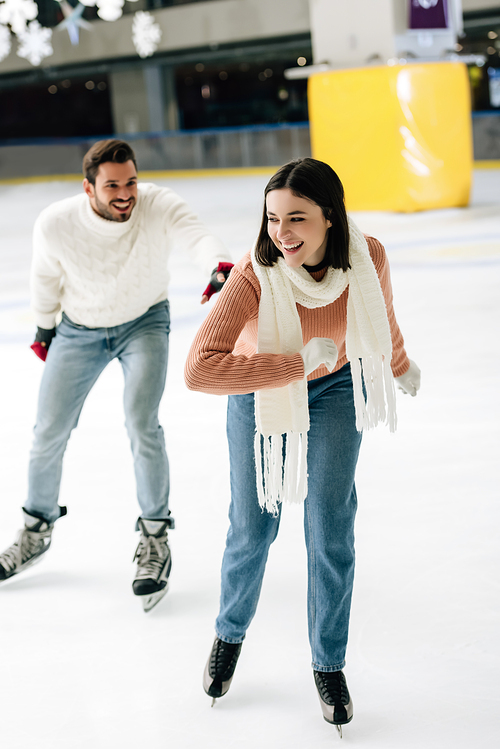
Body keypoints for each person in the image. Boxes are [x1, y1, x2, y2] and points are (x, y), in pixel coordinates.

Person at [184, 158, 420, 731]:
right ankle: (229, 634)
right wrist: (290, 364)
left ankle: (328, 662)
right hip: (259, 389)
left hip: (338, 387)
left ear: (331, 218)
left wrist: (400, 364)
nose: (281, 234)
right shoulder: (254, 274)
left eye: (297, 218)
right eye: (272, 219)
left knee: (330, 527)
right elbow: (198, 370)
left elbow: (378, 316)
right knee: (253, 525)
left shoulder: (369, 256)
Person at [0, 139, 233, 612]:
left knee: (141, 423)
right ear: (89, 188)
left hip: (144, 322)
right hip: (78, 329)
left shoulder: (155, 203)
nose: (125, 193)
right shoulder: (57, 223)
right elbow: (44, 276)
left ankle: (154, 539)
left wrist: (218, 266)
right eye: (112, 186)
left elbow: (194, 232)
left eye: (130, 181)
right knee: (48, 430)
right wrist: (46, 327)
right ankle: (36, 529)